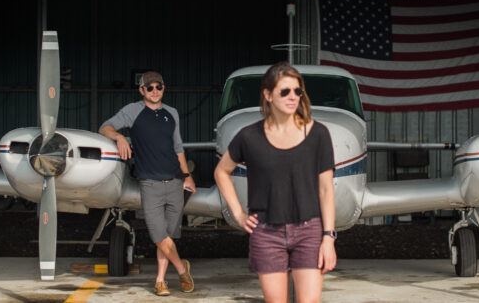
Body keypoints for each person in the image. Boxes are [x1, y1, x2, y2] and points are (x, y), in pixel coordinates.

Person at [213, 62, 336, 303]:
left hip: (309, 231)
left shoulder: (318, 134)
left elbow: (325, 190)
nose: (293, 97)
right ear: (268, 95)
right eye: (285, 91)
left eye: (297, 91)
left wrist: (328, 238)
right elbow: (221, 171)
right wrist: (238, 214)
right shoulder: (248, 137)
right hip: (266, 234)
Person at [99, 71, 196, 296]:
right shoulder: (132, 111)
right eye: (149, 88)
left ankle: (160, 280)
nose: (154, 91)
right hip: (150, 184)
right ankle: (182, 269)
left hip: (174, 182)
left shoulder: (172, 113)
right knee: (158, 235)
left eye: (158, 87)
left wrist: (187, 175)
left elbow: (178, 148)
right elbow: (105, 127)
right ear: (141, 90)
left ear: (164, 88)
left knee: (167, 237)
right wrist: (120, 137)